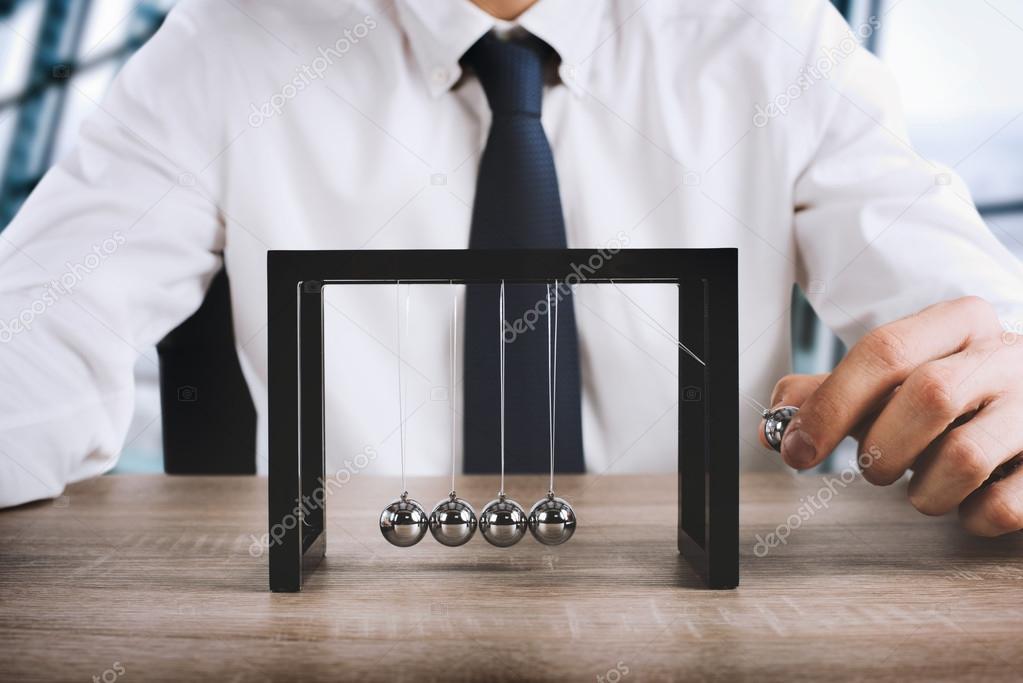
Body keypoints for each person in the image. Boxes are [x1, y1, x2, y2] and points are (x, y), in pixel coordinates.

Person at [0, 0, 1020, 536]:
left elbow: (971, 325)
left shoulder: (775, 39)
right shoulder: (226, 48)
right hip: (344, 635)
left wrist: (995, 394)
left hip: (709, 637)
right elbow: (30, 339)